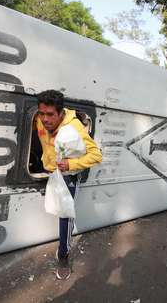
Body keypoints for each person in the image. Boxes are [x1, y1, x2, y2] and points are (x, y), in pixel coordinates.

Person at [35, 90, 102, 280]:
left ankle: (63, 254)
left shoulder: (75, 127)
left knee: (65, 214)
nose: (45, 119)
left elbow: (96, 155)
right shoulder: (39, 120)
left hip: (67, 175)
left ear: (60, 113)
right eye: (41, 113)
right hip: (50, 170)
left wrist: (71, 165)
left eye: (50, 115)